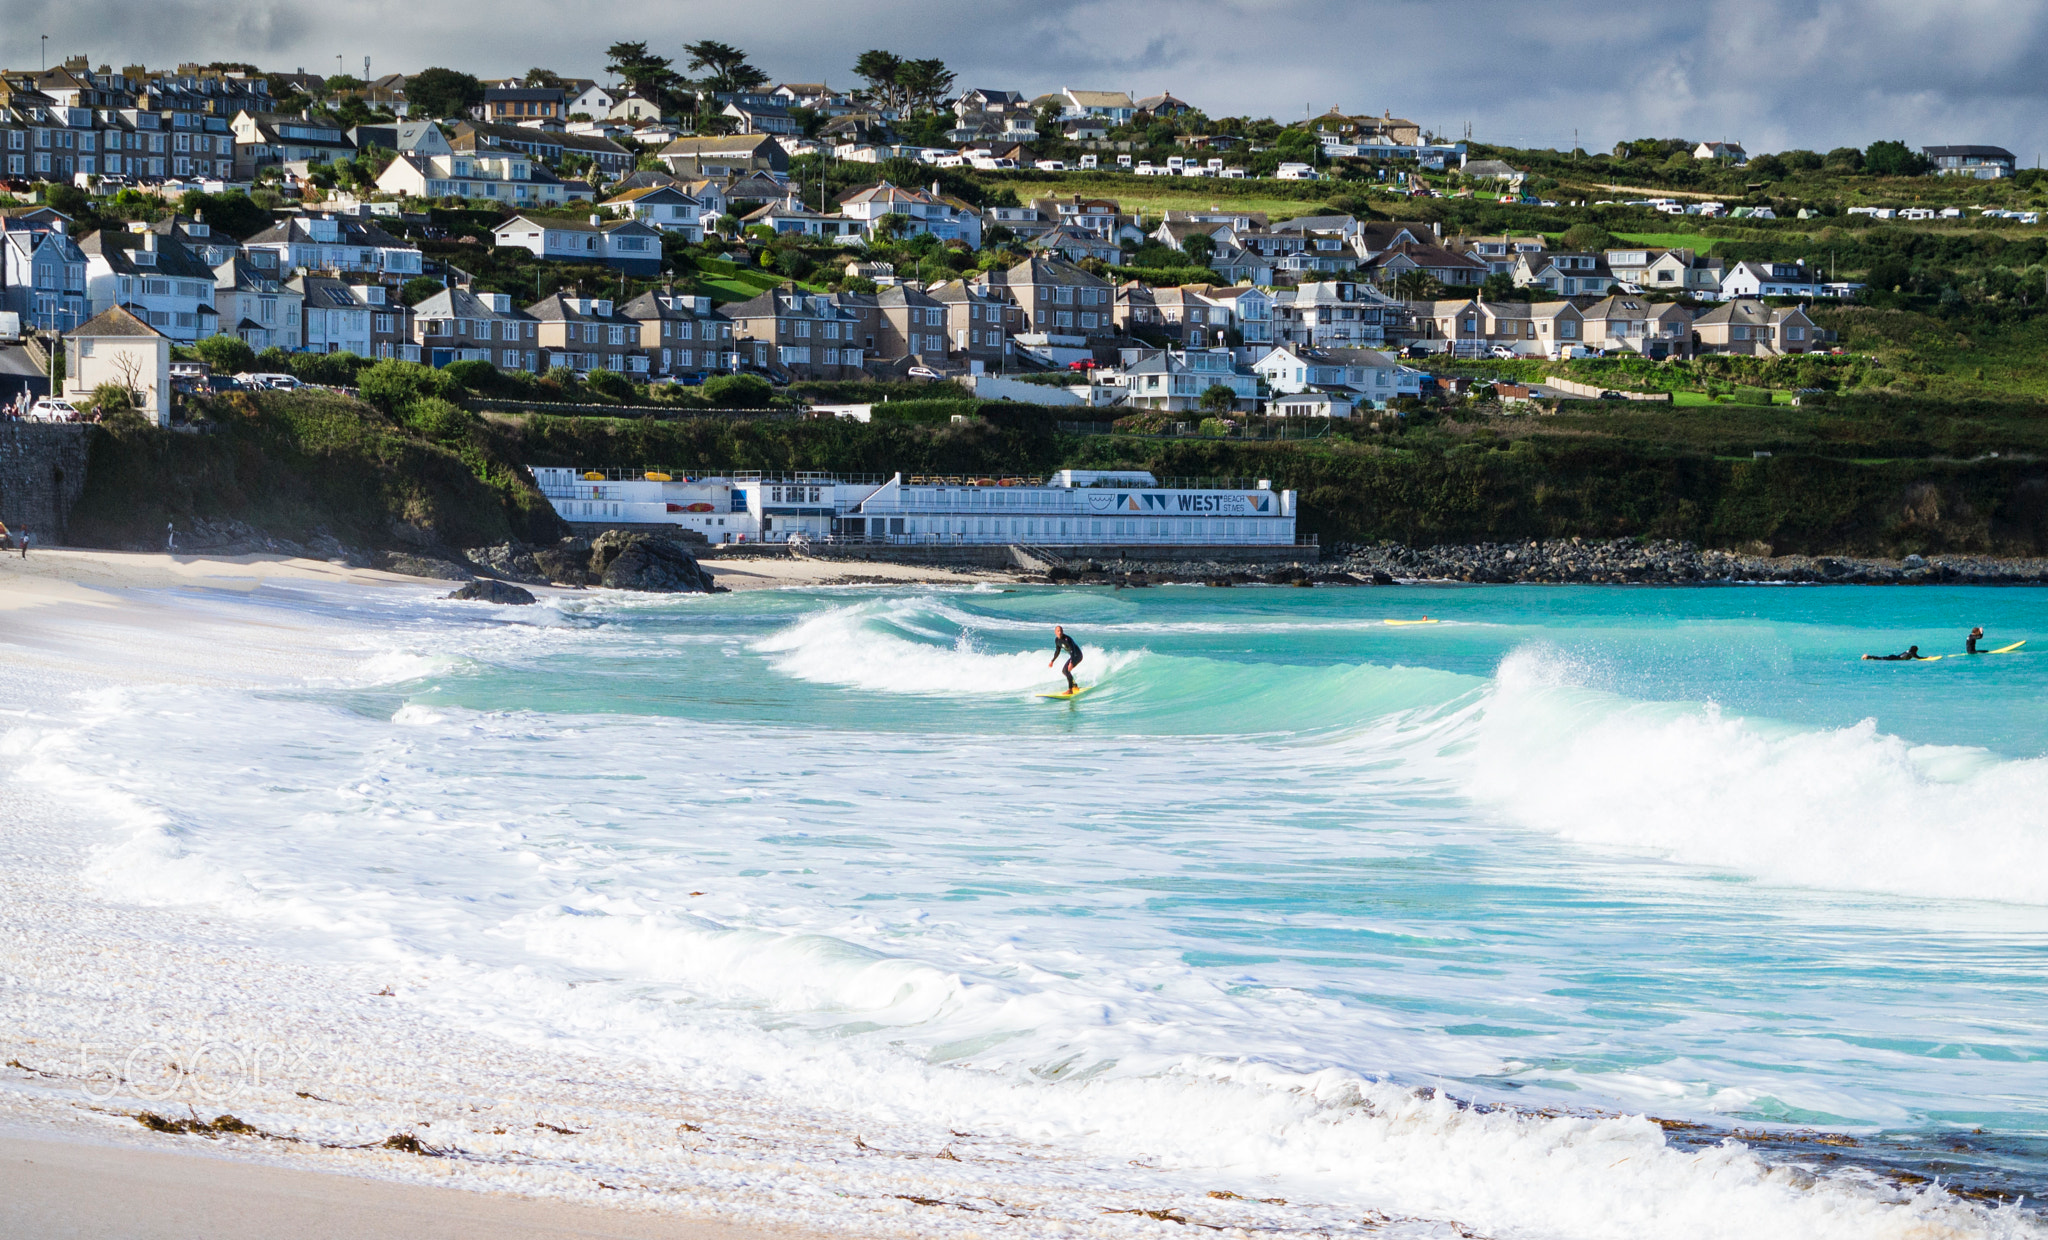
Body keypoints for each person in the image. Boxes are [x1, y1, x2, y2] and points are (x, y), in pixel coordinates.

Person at [1048, 625, 1083, 694]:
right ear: (1055, 632)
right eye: (1058, 631)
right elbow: (1057, 651)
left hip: (1077, 655)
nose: (1060, 632)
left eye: (1061, 631)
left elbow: (1073, 650)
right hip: (1073, 656)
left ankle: (1070, 690)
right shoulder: (1057, 640)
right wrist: (1052, 661)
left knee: (1066, 670)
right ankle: (1074, 685)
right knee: (1064, 671)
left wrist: (1071, 662)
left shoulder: (1067, 639)